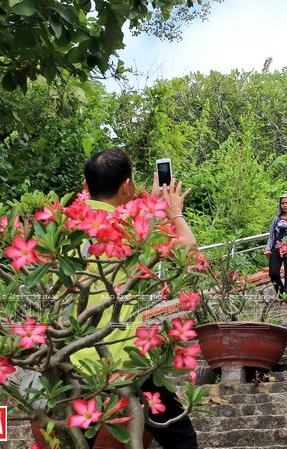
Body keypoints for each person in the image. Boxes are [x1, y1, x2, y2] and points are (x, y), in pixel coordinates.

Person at [81, 149, 198, 448]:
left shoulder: (65, 226)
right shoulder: (131, 231)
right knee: (182, 439)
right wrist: (174, 212)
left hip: (75, 360)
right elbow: (189, 249)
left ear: (87, 183)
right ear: (125, 185)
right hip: (125, 360)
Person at [264, 194, 287, 299]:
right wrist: (268, 248)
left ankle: (286, 299)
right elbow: (271, 235)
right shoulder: (276, 219)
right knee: (273, 273)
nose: (285, 205)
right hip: (276, 248)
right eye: (282, 203)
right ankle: (282, 292)